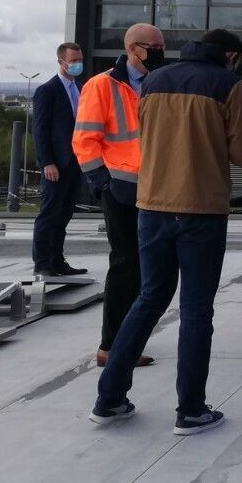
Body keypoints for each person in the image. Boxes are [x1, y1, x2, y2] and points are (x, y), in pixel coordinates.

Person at [91, 28, 242, 434]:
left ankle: (109, 399)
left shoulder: (152, 82)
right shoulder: (228, 85)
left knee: (149, 298)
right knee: (196, 309)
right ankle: (191, 410)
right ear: (231, 56)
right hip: (200, 209)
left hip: (151, 206)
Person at [74, 23, 164, 369]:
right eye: (152, 47)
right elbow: (85, 139)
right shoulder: (102, 85)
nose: (158, 52)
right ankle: (111, 347)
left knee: (148, 269)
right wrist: (103, 182)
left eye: (161, 46)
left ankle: (129, 341)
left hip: (156, 188)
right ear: (132, 48)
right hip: (122, 188)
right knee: (126, 265)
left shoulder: (160, 82)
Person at [31, 42, 88, 277]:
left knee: (64, 214)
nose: (77, 64)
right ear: (61, 62)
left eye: (79, 60)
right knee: (49, 213)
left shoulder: (81, 89)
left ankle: (57, 260)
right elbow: (40, 130)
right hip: (56, 164)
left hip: (76, 162)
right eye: (73, 61)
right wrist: (47, 162)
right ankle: (42, 263)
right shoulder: (48, 90)